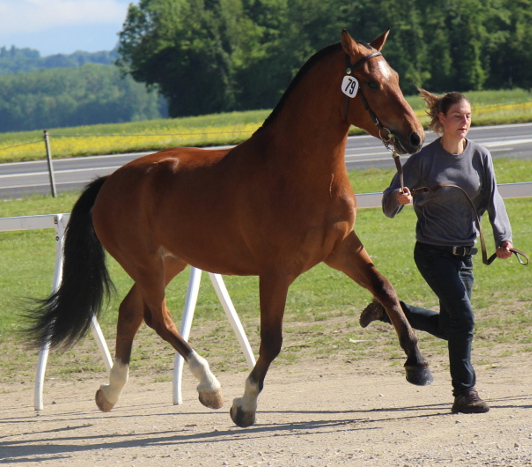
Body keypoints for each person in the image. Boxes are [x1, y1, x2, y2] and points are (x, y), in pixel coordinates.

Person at [360, 89, 514, 414]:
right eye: (457, 116)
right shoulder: (423, 161)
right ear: (441, 119)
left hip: (465, 255)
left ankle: (391, 311)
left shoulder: (479, 156)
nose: (465, 122)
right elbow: (390, 202)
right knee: (465, 319)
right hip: (432, 253)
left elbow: (493, 199)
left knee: (450, 326)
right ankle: (465, 392)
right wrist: (399, 200)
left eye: (468, 116)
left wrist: (503, 239)